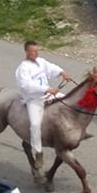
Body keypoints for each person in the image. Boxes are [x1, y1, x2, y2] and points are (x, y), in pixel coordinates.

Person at [15, 40, 71, 172]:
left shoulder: (41, 62)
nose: (36, 53)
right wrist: (45, 89)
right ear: (27, 52)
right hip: (34, 99)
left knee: (68, 103)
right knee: (35, 125)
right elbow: (26, 85)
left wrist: (62, 72)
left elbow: (51, 68)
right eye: (33, 51)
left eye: (37, 50)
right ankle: (38, 152)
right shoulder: (23, 68)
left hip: (48, 94)